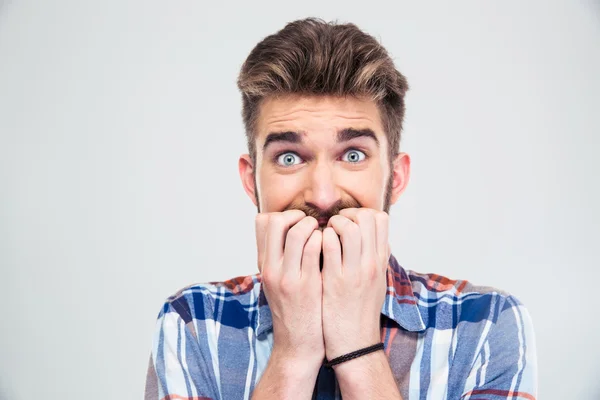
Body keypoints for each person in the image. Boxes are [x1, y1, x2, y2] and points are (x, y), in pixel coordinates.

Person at [144, 17, 538, 400]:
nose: (323, 195)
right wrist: (293, 355)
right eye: (288, 158)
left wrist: (358, 349)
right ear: (251, 181)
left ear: (395, 178)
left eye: (352, 155)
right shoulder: (192, 323)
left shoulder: (487, 325)